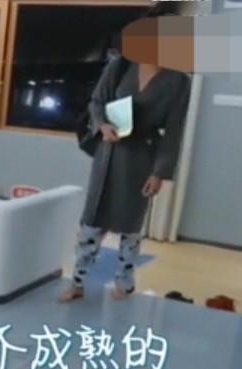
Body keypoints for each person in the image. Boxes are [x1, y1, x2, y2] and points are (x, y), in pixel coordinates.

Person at [59, 3, 191, 303]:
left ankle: (124, 284)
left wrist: (160, 173)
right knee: (92, 222)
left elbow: (174, 131)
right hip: (109, 153)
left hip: (141, 157)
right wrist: (102, 125)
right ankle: (77, 282)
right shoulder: (121, 66)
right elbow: (96, 103)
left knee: (130, 227)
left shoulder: (178, 81)